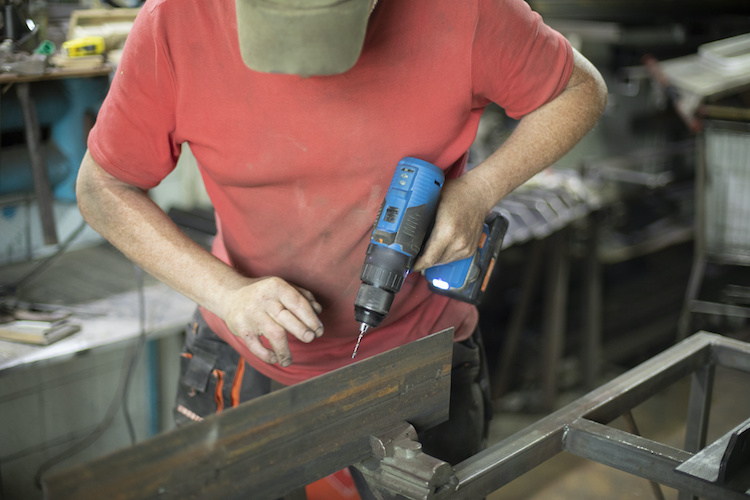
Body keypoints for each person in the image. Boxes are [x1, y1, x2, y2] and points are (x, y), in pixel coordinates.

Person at [76, 0, 607, 494]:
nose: (305, 74)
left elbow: (580, 89)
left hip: (418, 362)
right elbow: (102, 188)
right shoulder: (176, 20)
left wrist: (479, 191)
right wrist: (227, 293)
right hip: (244, 365)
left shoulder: (461, 10)